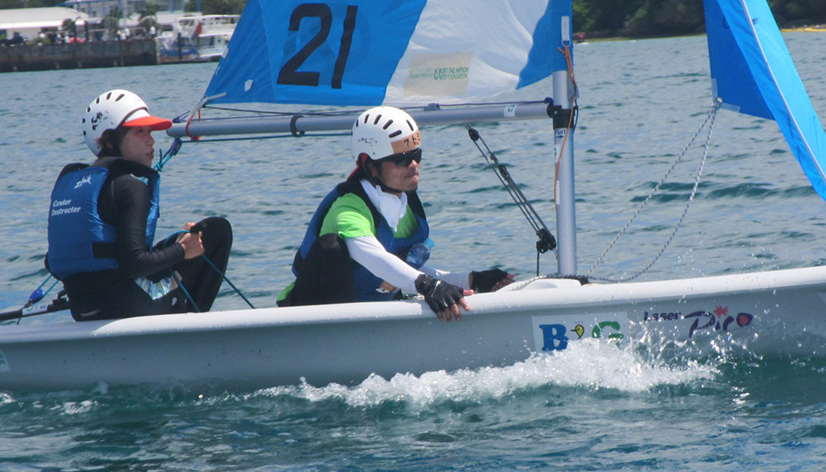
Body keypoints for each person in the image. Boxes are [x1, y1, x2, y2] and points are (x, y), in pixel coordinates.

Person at [277, 106, 513, 321]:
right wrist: (427, 285)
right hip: (313, 317)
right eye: (401, 159)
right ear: (371, 167)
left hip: (371, 315)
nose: (414, 165)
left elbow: (403, 268)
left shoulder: (404, 204)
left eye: (416, 155)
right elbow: (374, 258)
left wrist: (473, 280)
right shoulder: (348, 209)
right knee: (331, 246)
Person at [46, 89, 233, 321]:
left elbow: (52, 263)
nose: (151, 140)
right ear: (109, 141)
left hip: (81, 309)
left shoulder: (72, 185)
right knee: (215, 231)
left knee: (176, 243)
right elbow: (134, 264)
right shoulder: (129, 187)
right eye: (139, 131)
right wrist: (184, 249)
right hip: (127, 307)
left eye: (150, 131)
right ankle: (192, 329)